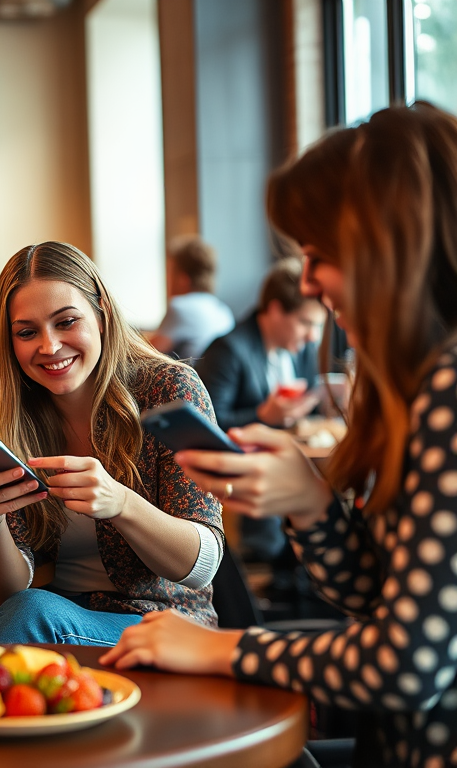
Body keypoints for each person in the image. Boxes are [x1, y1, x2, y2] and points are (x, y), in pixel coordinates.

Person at [103, 102, 457, 768]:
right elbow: (379, 599)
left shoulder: (447, 390)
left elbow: (410, 664)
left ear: (389, 244)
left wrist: (222, 647)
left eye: (320, 255)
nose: (310, 281)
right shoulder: (415, 386)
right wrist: (309, 504)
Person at [0, 242, 224, 646]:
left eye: (66, 322)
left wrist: (121, 503)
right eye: (27, 332)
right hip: (44, 620)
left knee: (31, 616)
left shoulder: (169, 390)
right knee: (29, 610)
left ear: (100, 313)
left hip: (158, 625)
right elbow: (4, 594)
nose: (49, 347)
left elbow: (200, 565)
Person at [195, 257, 326, 431]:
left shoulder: (304, 349)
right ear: (275, 310)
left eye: (318, 325)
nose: (313, 336)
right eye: (305, 323)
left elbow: (311, 409)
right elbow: (206, 424)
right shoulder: (228, 350)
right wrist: (262, 416)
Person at [150, 235, 235, 363]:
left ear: (183, 280)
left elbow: (148, 352)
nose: (166, 279)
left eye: (170, 273)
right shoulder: (224, 311)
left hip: (192, 380)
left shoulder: (181, 307)